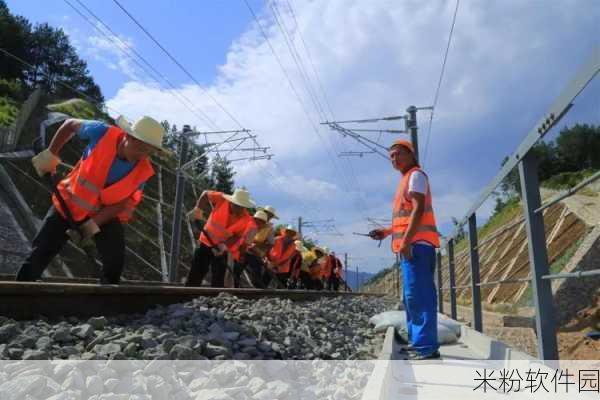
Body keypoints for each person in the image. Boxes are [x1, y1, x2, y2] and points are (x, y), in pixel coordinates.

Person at [16, 115, 165, 284]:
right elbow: (69, 125)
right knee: (40, 253)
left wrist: (91, 226)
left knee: (114, 261)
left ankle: (105, 300)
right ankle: (19, 293)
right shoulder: (102, 132)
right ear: (128, 136)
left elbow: (122, 203)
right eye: (140, 148)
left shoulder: (143, 171)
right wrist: (51, 154)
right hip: (69, 202)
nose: (142, 155)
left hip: (103, 214)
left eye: (149, 152)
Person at [369, 139, 441, 360]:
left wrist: (407, 242)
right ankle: (418, 342)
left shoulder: (416, 176)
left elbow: (418, 210)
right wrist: (387, 232)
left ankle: (426, 347)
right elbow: (408, 216)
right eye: (391, 156)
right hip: (413, 245)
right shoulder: (406, 180)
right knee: (412, 296)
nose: (394, 159)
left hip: (417, 246)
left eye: (398, 154)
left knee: (419, 295)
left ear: (411, 154)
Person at [186, 188, 257, 288]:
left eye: (243, 207)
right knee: (197, 269)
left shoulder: (246, 219)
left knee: (219, 277)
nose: (240, 209)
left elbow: (237, 236)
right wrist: (198, 210)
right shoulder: (221, 199)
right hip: (205, 241)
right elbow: (205, 194)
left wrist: (224, 246)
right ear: (232, 202)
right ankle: (189, 294)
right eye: (238, 206)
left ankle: (215, 299)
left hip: (220, 249)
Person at [241, 210, 273, 288]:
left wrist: (258, 247)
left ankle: (257, 289)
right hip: (243, 250)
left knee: (256, 271)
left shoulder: (269, 229)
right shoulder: (248, 224)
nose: (268, 215)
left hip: (255, 252)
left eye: (270, 215)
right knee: (238, 267)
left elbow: (270, 244)